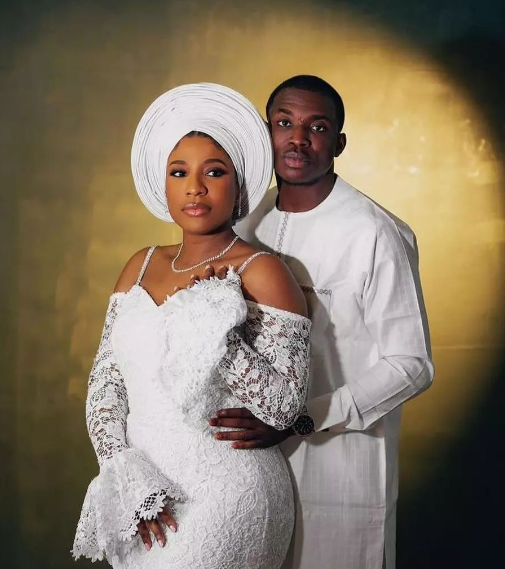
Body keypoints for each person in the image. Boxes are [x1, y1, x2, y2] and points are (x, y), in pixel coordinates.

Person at [72, 83, 311, 569]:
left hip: (228, 493)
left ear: (239, 186)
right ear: (164, 185)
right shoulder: (139, 265)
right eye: (179, 172)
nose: (195, 187)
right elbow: (106, 382)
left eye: (214, 172)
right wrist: (123, 471)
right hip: (143, 490)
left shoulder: (264, 271)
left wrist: (214, 327)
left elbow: (284, 406)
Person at [212, 75, 435, 569]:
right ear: (264, 133)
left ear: (339, 143)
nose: (298, 139)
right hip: (249, 469)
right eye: (284, 123)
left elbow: (412, 364)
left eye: (317, 127)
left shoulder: (373, 232)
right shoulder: (245, 222)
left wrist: (301, 418)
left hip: (342, 471)